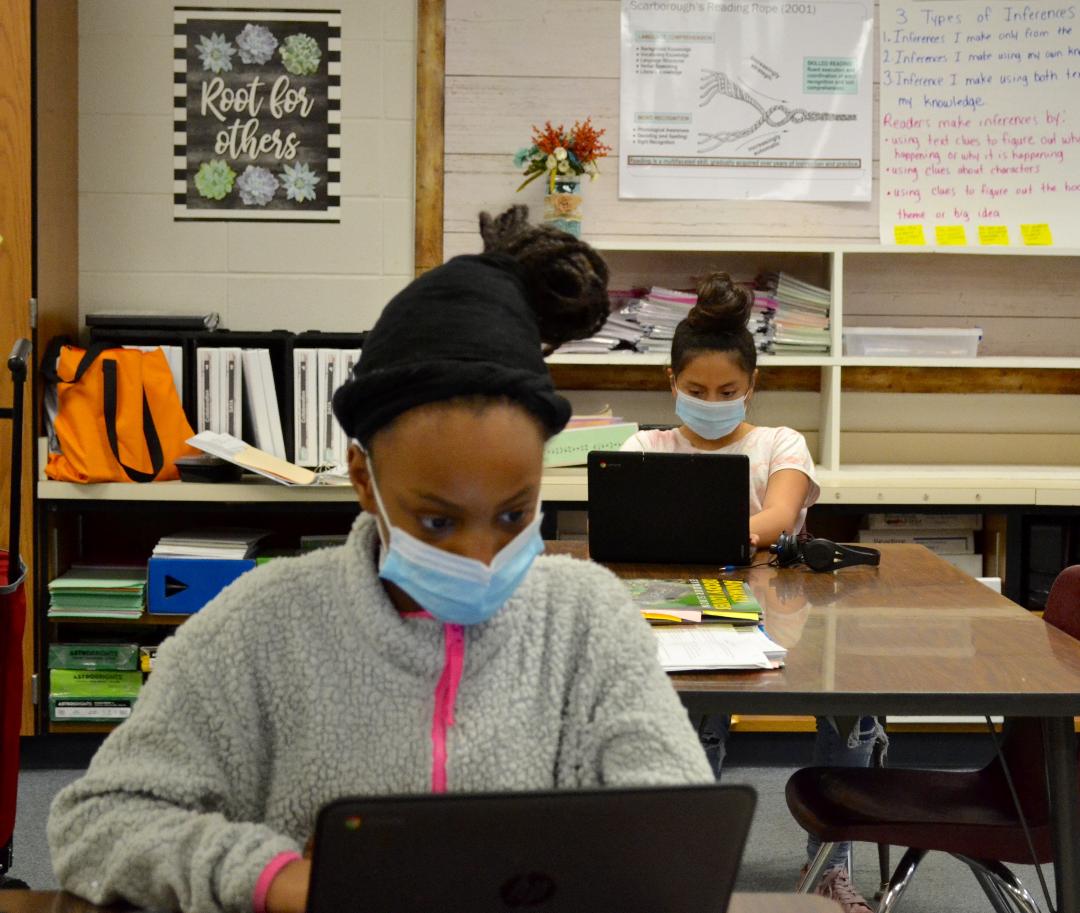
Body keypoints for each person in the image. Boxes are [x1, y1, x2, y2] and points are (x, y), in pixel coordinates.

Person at [47, 207, 713, 913]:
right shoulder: (259, 628)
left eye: (513, 514)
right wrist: (274, 877)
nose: (480, 555)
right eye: (438, 520)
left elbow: (679, 832)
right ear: (363, 477)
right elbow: (98, 822)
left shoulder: (587, 620)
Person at [621, 271, 880, 913]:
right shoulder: (644, 447)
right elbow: (624, 533)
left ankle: (829, 867)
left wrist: (716, 535)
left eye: (728, 391)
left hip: (784, 620)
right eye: (696, 390)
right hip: (688, 621)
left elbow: (781, 516)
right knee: (693, 723)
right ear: (671, 382)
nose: (712, 402)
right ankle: (689, 868)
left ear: (752, 386)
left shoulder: (778, 444)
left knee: (850, 713)